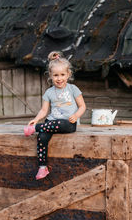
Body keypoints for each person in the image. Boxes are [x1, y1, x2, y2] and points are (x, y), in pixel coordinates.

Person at [24, 51, 86, 180]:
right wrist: (35, 120)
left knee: (62, 123)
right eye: (56, 75)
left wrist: (76, 115)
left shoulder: (73, 89)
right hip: (50, 123)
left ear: (68, 74)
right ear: (50, 76)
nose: (59, 78)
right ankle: (42, 167)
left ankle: (35, 129)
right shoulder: (49, 92)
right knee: (41, 138)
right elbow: (44, 110)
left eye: (62, 75)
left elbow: (82, 106)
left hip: (68, 123)